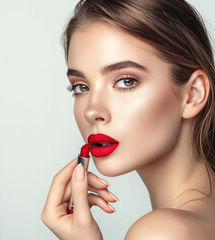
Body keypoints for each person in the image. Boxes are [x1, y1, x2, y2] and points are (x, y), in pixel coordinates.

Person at [41, 0, 215, 239]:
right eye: (81, 87)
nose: (91, 111)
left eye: (126, 81)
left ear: (194, 93)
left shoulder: (160, 233)